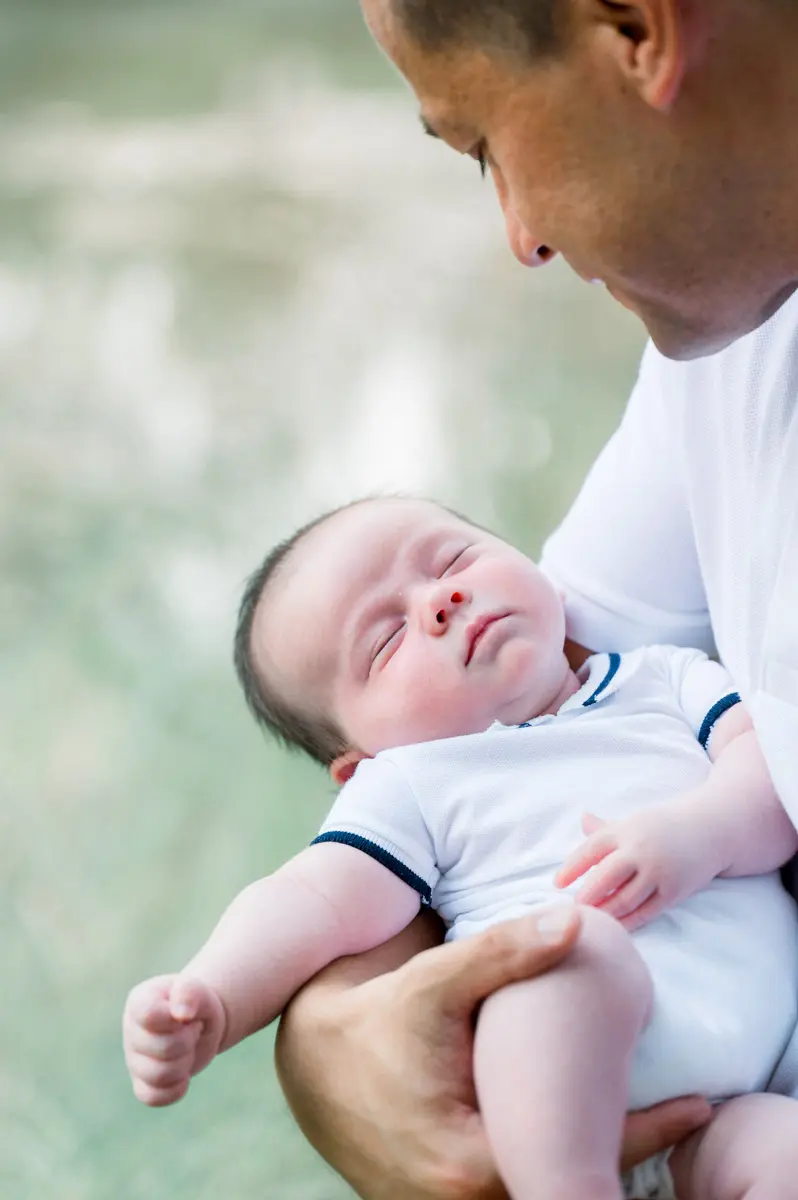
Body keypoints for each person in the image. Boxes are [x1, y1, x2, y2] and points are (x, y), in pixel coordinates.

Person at [267, 3, 798, 1196]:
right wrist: (334, 1035)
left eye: (484, 147)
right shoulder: (733, 348)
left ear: (636, 31)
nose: (521, 234)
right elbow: (500, 727)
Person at [123, 496, 798, 1200]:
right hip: (572, 1098)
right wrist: (211, 996)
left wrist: (705, 830)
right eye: (385, 642)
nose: (441, 600)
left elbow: (772, 773)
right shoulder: (415, 783)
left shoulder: (665, 678)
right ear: (361, 762)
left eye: (454, 559)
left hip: (737, 1113)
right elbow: (307, 899)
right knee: (569, 951)